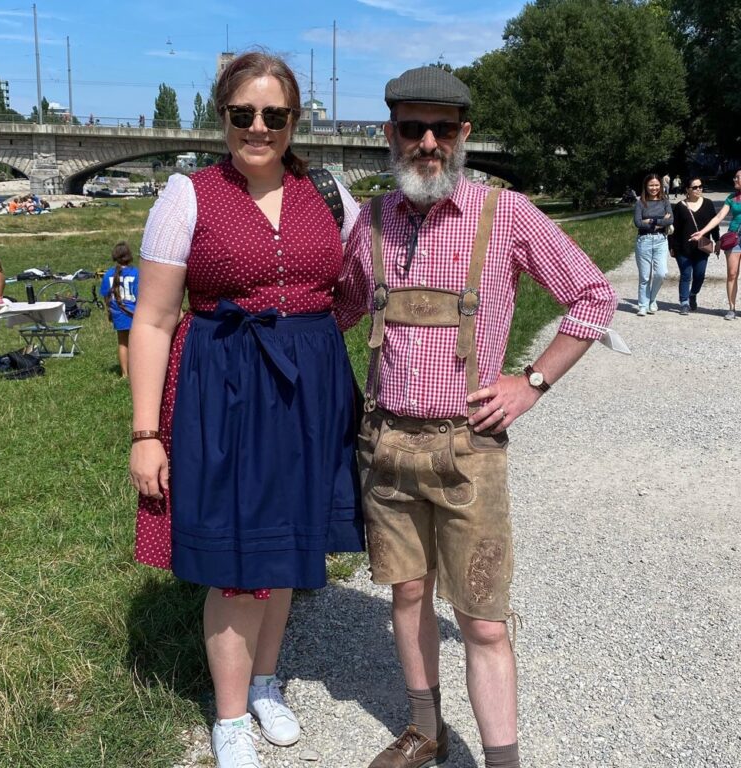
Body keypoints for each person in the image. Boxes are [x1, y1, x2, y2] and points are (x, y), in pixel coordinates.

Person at [336, 66, 617, 768]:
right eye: (411, 128)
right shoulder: (370, 220)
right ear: (389, 135)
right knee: (406, 594)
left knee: (483, 620)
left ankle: (502, 761)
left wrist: (532, 381)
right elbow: (335, 309)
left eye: (441, 128)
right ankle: (425, 729)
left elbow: (591, 297)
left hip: (471, 450)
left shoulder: (506, 214)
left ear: (463, 134)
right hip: (387, 445)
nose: (426, 142)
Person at [127, 52, 364, 768]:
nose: (257, 128)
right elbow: (153, 319)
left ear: (295, 121)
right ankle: (229, 717)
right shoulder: (187, 195)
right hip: (223, 391)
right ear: (221, 116)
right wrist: (145, 433)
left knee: (288, 548)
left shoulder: (330, 194)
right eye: (242, 115)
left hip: (307, 391)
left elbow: (354, 285)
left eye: (274, 115)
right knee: (237, 558)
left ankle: (265, 683)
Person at [690, 169, 741, 320]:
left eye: (738, 178)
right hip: (735, 238)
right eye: (735, 177)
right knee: (732, 274)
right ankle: (732, 308)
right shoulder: (731, 198)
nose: (734, 180)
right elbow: (719, 217)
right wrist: (702, 232)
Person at [669, 177, 720, 315]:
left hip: (702, 248)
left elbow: (714, 225)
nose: (698, 189)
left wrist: (718, 241)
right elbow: (673, 229)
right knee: (685, 275)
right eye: (695, 187)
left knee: (700, 275)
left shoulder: (708, 204)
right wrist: (671, 246)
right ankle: (684, 302)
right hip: (683, 247)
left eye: (700, 186)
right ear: (687, 190)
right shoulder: (680, 206)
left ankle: (693, 294)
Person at [633, 173, 673, 316]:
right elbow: (638, 223)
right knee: (645, 276)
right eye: (651, 185)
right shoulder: (640, 203)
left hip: (661, 240)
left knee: (661, 273)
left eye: (656, 185)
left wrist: (650, 221)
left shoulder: (665, 202)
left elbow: (670, 221)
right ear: (646, 186)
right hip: (643, 241)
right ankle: (643, 305)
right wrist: (659, 220)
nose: (654, 188)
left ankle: (652, 298)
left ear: (660, 186)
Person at [100, 242, 139, 377]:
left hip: (118, 313)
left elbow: (106, 296)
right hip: (134, 313)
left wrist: (110, 311)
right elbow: (140, 295)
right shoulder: (135, 273)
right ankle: (137, 371)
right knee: (136, 343)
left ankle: (124, 374)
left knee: (122, 343)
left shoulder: (107, 275)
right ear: (129, 256)